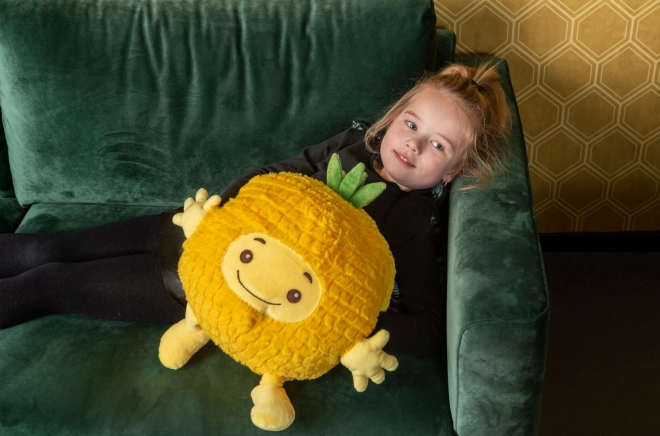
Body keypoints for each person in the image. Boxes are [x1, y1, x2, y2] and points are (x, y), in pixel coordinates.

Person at [0, 62, 511, 357]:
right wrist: (228, 206)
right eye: (412, 124)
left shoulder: (411, 223)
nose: (414, 145)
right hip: (199, 229)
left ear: (452, 172)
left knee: (51, 282)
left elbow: (426, 326)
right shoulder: (354, 143)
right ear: (395, 117)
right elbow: (280, 169)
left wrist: (345, 327)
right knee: (46, 249)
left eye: (438, 145)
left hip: (208, 287)